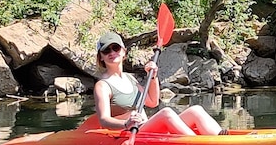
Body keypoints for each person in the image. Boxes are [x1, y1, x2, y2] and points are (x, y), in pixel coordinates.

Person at [91, 31, 223, 136]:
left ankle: (220, 138)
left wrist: (153, 77)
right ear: (101, 57)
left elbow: (153, 102)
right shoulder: (102, 85)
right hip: (130, 132)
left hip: (145, 127)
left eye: (115, 48)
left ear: (124, 51)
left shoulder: (130, 79)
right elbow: (104, 120)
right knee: (166, 113)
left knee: (196, 110)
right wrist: (126, 123)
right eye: (106, 51)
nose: (112, 53)